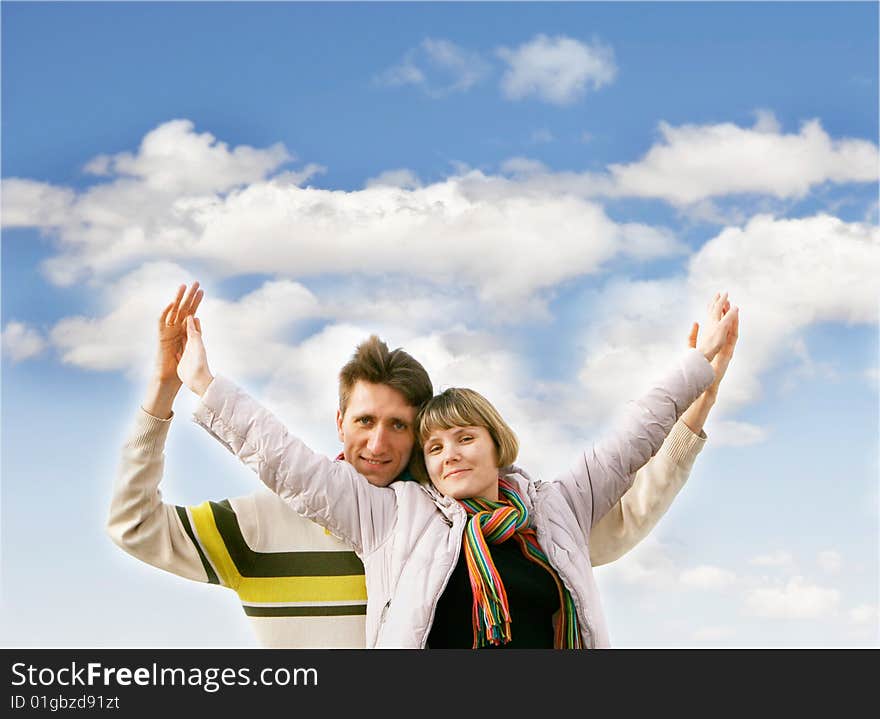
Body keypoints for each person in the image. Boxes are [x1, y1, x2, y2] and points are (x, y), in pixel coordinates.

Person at [173, 289, 739, 648]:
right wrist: (204, 383)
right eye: (435, 447)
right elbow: (291, 465)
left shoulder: (558, 506)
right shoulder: (396, 518)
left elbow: (631, 438)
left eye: (465, 438)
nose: (450, 455)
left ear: (498, 446)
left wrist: (697, 367)